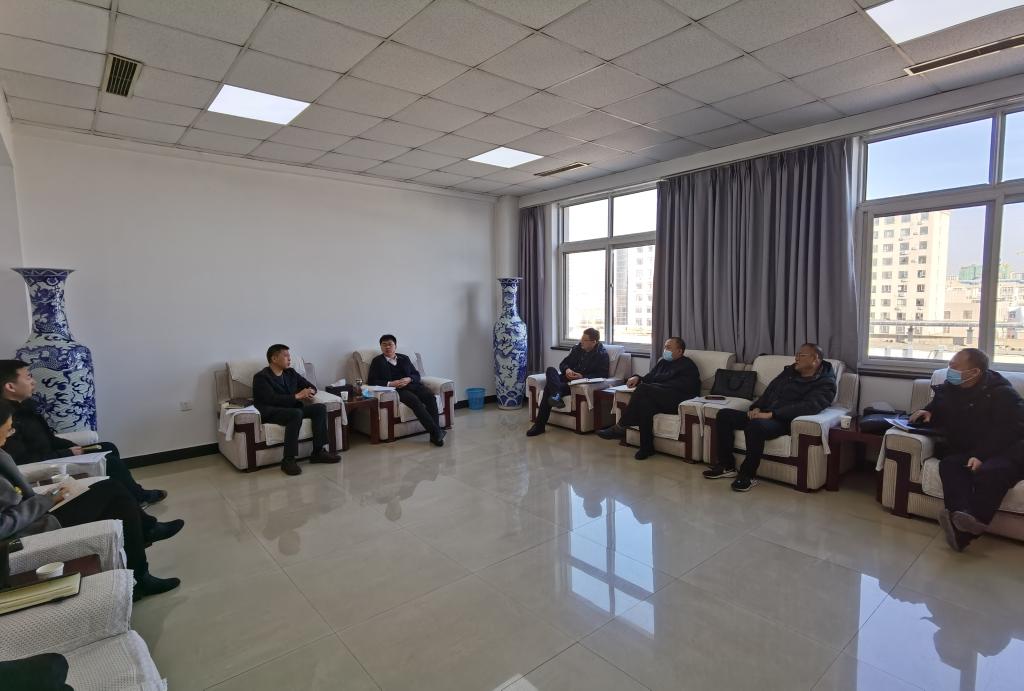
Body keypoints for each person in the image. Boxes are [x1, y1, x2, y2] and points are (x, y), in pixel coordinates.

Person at [0, 399, 180, 600]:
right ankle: (142, 568)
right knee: (114, 495)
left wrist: (49, 497)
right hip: (26, 530)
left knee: (111, 488)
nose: (9, 436)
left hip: (35, 512)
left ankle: (142, 555)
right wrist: (45, 501)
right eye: (7, 430)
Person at [0, 360, 166, 508]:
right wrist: (67, 453)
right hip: (45, 464)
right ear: (10, 387)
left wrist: (76, 448)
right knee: (111, 462)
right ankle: (136, 498)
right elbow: (21, 461)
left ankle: (133, 495)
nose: (33, 382)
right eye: (28, 377)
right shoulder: (6, 419)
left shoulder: (26, 407)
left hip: (53, 454)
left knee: (107, 447)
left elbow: (49, 439)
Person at [907, 348, 1024, 552]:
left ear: (974, 372)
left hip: (1008, 449)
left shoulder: (1001, 393)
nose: (949, 369)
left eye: (954, 366)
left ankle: (964, 531)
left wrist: (982, 455)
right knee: (949, 465)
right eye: (949, 365)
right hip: (972, 448)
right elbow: (938, 405)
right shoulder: (951, 387)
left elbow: (1011, 430)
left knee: (992, 471)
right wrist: (928, 411)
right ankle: (960, 520)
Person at [703, 343, 836, 492]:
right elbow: (770, 392)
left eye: (801, 355)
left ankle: (747, 475)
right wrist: (756, 407)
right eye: (797, 354)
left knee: (756, 426)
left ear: (815, 359)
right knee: (724, 415)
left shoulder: (826, 382)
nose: (796, 358)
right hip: (765, 414)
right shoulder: (789, 372)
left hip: (783, 421)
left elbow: (810, 406)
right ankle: (726, 466)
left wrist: (772, 414)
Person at [596, 337, 700, 460]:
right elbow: (648, 378)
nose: (665, 350)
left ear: (679, 351)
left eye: (668, 348)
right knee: (645, 405)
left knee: (643, 389)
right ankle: (646, 448)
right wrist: (636, 378)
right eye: (665, 347)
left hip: (677, 399)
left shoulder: (688, 365)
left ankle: (621, 426)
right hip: (660, 397)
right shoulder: (662, 363)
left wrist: (654, 387)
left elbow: (685, 387)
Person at [252, 344, 340, 476]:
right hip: (272, 411)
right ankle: (288, 460)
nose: (289, 359)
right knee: (296, 413)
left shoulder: (290, 373)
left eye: (289, 356)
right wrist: (297, 396)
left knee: (320, 408)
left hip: (291, 409)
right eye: (285, 356)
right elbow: (271, 399)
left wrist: (309, 392)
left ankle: (318, 452)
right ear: (274, 358)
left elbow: (310, 386)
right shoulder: (261, 377)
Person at [527, 327, 610, 437]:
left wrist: (582, 376)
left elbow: (602, 374)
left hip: (576, 384)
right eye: (581, 338)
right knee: (550, 370)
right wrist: (567, 370)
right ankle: (556, 394)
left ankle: (539, 425)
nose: (581, 341)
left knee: (548, 389)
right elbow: (563, 364)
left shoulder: (602, 355)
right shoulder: (577, 349)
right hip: (565, 378)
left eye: (584, 340)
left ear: (594, 342)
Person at [367, 334, 447, 447]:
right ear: (381, 347)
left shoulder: (404, 358)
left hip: (413, 385)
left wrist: (409, 379)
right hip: (397, 390)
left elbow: (416, 374)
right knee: (415, 401)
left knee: (430, 397)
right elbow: (371, 381)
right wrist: (390, 383)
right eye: (384, 345)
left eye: (390, 344)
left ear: (395, 346)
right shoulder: (377, 361)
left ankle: (434, 435)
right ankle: (437, 433)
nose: (387, 347)